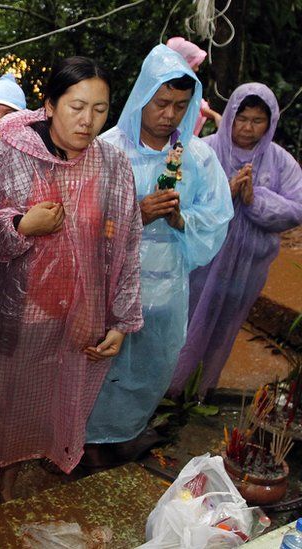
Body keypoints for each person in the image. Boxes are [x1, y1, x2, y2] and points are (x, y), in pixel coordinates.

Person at [0, 56, 144, 523]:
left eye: (101, 109)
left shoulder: (111, 164)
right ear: (49, 106)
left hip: (71, 318)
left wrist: (121, 321)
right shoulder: (8, 154)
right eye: (76, 107)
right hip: (4, 313)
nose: (88, 121)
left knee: (35, 411)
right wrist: (22, 225)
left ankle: (2, 488)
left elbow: (125, 244)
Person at [85, 45, 233, 462]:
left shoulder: (198, 157)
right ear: (142, 97)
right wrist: (138, 214)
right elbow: (82, 220)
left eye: (181, 106)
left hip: (167, 285)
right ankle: (87, 441)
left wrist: (183, 221)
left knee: (151, 366)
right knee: (102, 366)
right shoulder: (106, 150)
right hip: (111, 285)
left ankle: (126, 433)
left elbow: (218, 214)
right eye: (162, 103)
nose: (170, 114)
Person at [171, 83, 302, 396]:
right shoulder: (204, 150)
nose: (248, 127)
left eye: (258, 121)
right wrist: (225, 194)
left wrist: (256, 199)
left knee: (226, 326)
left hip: (248, 266)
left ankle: (202, 390)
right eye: (242, 118)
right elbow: (180, 198)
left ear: (269, 124)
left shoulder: (280, 161)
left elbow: (296, 209)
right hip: (203, 260)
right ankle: (170, 389)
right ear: (229, 116)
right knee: (186, 321)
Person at [165, 37, 222, 135]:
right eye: (194, 63)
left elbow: (197, 106)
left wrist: (215, 116)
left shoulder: (188, 86)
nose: (197, 69)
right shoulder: (165, 87)